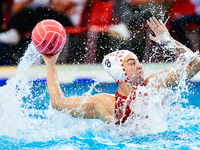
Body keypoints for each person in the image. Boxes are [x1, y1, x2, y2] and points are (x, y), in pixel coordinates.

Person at [41, 17, 200, 125]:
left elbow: (195, 65)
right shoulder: (104, 103)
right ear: (119, 71)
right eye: (132, 63)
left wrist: (170, 42)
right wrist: (50, 63)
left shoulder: (153, 85)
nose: (139, 66)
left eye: (138, 62)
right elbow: (58, 103)